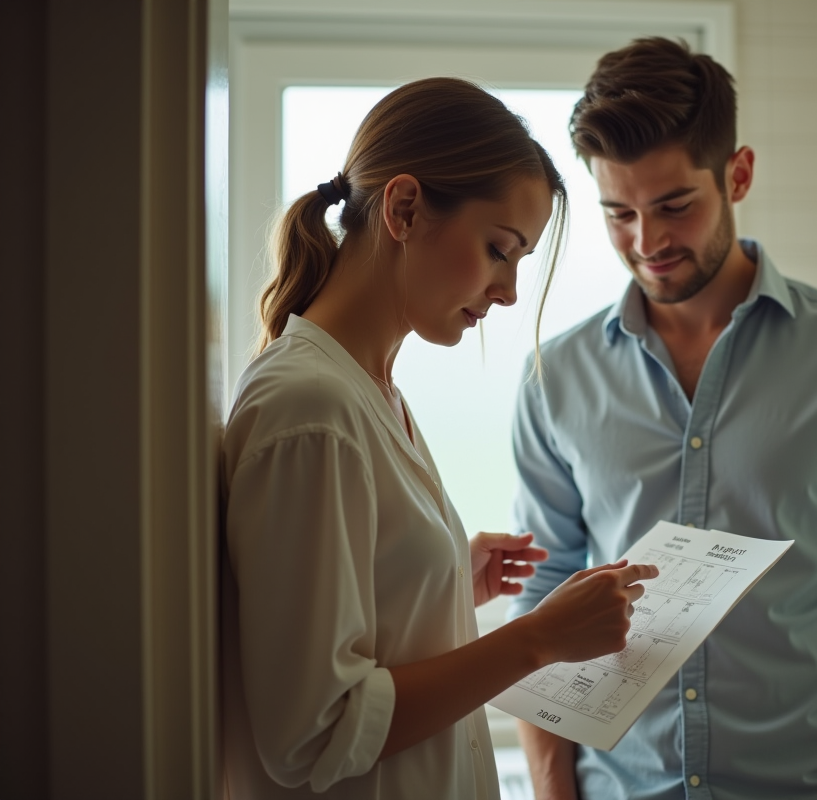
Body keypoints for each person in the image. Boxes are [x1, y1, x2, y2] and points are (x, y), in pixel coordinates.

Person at [508, 39, 817, 800]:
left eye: (674, 206)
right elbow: (543, 596)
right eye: (618, 214)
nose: (647, 243)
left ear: (739, 174)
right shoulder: (554, 376)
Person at [220, 77, 658, 800]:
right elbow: (314, 733)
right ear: (403, 208)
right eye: (498, 249)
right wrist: (536, 639)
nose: (509, 292)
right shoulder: (312, 411)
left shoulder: (371, 392)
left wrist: (445, 579)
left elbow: (360, 628)